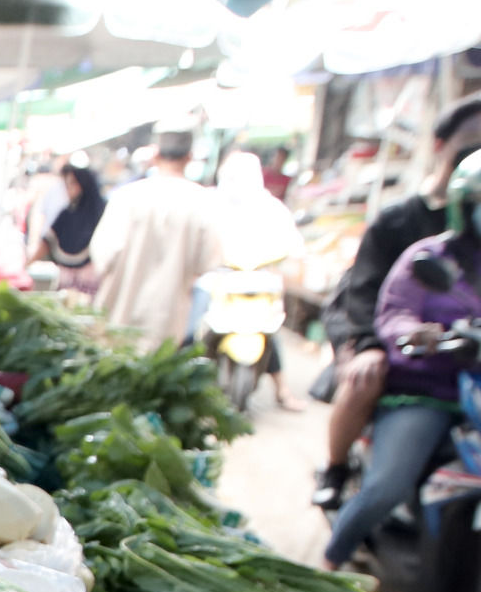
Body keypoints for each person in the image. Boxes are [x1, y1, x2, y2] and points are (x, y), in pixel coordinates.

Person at [321, 144, 481, 571]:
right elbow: (394, 312)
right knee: (388, 486)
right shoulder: (428, 258)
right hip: (428, 390)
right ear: (467, 202)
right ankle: (328, 561)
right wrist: (414, 335)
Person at [314, 96, 481, 508]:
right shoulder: (399, 221)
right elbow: (364, 289)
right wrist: (369, 344)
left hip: (459, 346)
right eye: (474, 139)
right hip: (382, 331)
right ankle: (335, 469)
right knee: (366, 377)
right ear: (442, 144)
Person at [89, 129, 224, 347]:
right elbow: (208, 263)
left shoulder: (126, 197)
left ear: (155, 155)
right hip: (166, 327)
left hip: (117, 320)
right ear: (189, 157)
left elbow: (103, 257)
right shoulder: (203, 203)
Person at [209, 150, 307, 408]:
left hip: (259, 280)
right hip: (220, 277)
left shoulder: (272, 208)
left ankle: (283, 390)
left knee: (271, 329)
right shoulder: (211, 203)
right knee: (195, 324)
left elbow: (294, 246)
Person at [32, 160, 106, 293]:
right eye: (66, 184)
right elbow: (48, 241)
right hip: (64, 285)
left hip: (92, 286)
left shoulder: (102, 214)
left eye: (72, 183)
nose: (68, 189)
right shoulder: (66, 214)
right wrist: (28, 264)